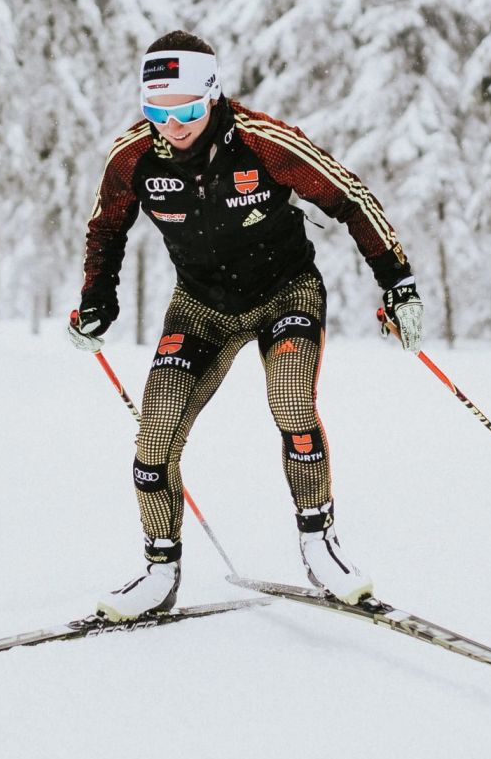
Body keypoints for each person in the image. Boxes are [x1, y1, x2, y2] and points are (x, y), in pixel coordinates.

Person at [69, 30, 424, 620]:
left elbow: (350, 198)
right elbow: (106, 228)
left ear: (211, 94)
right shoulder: (132, 157)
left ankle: (320, 543)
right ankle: (160, 571)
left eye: (184, 109)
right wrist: (96, 297)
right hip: (201, 307)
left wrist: (398, 281)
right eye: (156, 110)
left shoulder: (263, 142)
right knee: (153, 442)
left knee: (290, 404)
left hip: (286, 292)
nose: (172, 124)